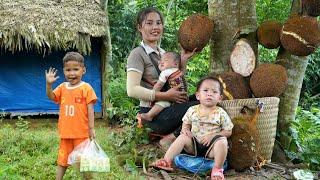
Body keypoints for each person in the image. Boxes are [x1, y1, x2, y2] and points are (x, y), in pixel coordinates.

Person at [126, 7, 197, 146]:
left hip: (169, 108)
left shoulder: (164, 54)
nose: (155, 27)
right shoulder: (137, 54)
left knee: (202, 97)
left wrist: (183, 60)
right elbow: (132, 90)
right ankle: (170, 138)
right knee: (198, 106)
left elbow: (178, 83)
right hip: (153, 114)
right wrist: (165, 96)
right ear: (140, 27)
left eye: (158, 23)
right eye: (149, 23)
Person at [151, 76, 234, 180]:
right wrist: (185, 130)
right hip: (194, 146)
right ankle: (166, 161)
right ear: (198, 96)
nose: (209, 94)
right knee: (182, 137)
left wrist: (214, 135)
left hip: (211, 148)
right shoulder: (192, 110)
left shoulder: (220, 113)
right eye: (205, 90)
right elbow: (186, 123)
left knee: (222, 141)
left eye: (214, 92)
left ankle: (217, 170)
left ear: (220, 98)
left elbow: (228, 131)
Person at [45, 52, 97, 180]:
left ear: (83, 70)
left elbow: (90, 109)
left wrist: (91, 128)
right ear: (64, 71)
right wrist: (49, 84)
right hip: (65, 133)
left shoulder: (86, 88)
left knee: (83, 162)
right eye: (68, 70)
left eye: (76, 69)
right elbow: (51, 97)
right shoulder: (62, 87)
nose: (72, 73)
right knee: (62, 160)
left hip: (81, 134)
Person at [137, 51, 188, 123]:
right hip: (184, 98)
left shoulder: (165, 72)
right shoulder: (178, 71)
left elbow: (158, 86)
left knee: (163, 102)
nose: (161, 62)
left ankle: (149, 115)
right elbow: (183, 72)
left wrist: (151, 97)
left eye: (166, 60)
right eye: (161, 60)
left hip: (175, 98)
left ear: (175, 64)